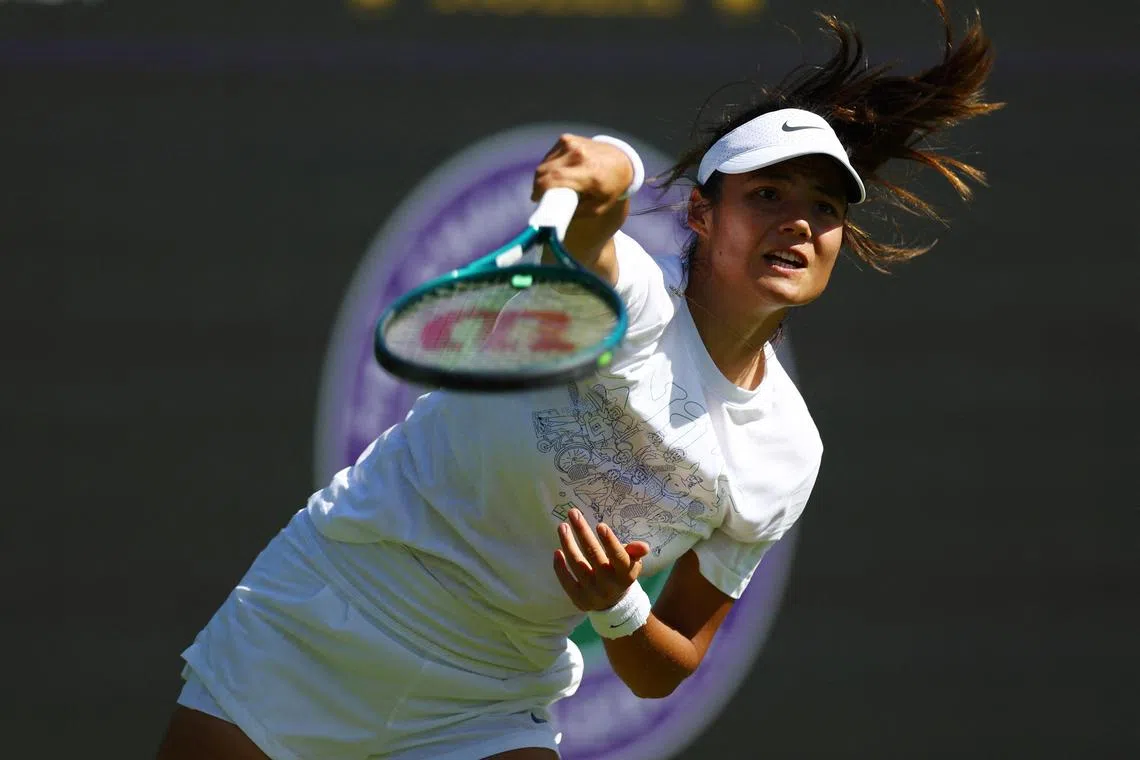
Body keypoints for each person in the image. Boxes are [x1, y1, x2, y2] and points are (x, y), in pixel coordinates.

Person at [156, 2, 1002, 758]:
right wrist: (608, 174)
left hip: (489, 695)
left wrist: (618, 607)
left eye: (823, 209)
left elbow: (668, 661)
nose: (798, 223)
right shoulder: (630, 297)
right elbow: (599, 221)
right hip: (329, 614)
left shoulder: (786, 451)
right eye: (768, 194)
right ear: (703, 215)